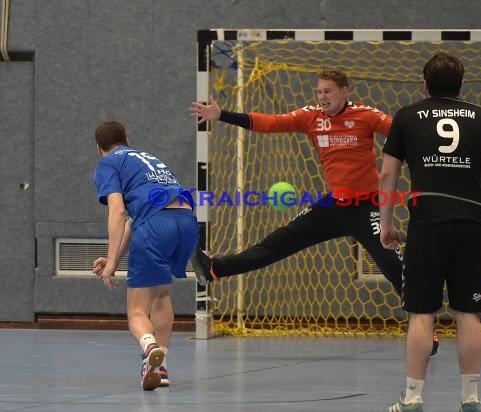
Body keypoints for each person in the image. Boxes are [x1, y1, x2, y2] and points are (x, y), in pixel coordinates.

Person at [188, 70, 438, 354]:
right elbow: (270, 123)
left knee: (394, 269)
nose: (322, 97)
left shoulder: (366, 115)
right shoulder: (310, 117)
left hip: (368, 208)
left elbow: (402, 132)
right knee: (276, 244)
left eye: (328, 91)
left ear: (344, 92)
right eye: (319, 92)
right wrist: (223, 115)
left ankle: (426, 331)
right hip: (332, 207)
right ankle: (214, 269)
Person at [379, 53, 481, 412]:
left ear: (425, 84)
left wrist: (386, 223)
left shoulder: (407, 116)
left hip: (427, 224)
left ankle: (414, 398)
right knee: (469, 313)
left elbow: (388, 176)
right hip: (470, 225)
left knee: (421, 313)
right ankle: (471, 398)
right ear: (461, 84)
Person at [91, 121, 199, 391]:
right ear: (126, 139)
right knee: (162, 295)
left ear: (98, 149)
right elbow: (131, 221)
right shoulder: (146, 158)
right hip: (186, 221)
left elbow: (117, 212)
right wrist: (114, 260)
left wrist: (109, 262)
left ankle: (149, 346)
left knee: (137, 311)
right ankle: (158, 368)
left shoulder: (107, 164)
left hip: (155, 225)